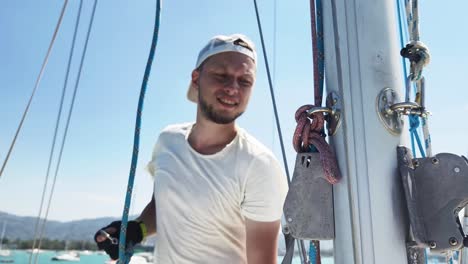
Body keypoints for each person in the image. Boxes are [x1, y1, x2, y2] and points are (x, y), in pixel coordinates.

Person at [95, 34, 288, 264]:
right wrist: (137, 230)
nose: (232, 88)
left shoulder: (259, 165)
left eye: (244, 81)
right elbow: (164, 205)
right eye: (221, 75)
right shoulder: (168, 141)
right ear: (196, 79)